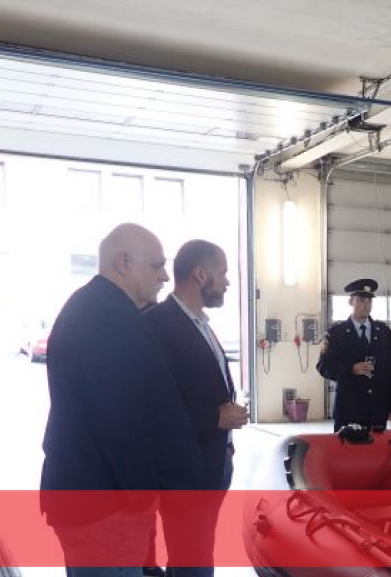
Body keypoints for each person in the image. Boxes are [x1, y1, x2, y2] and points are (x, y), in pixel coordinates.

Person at [40, 223, 200, 576]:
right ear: (124, 263)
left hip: (90, 496)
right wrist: (144, 495)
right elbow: (119, 420)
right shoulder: (107, 320)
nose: (164, 276)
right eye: (156, 266)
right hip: (106, 505)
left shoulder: (95, 307)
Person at [143, 240, 247, 575]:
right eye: (223, 273)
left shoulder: (200, 323)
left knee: (193, 553)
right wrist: (215, 417)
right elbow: (153, 405)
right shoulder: (159, 324)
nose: (227, 282)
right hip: (184, 472)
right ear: (200, 275)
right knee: (194, 560)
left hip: (213, 461)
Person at [317, 279, 391, 431]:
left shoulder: (383, 332)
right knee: (348, 447)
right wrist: (351, 369)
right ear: (351, 301)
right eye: (361, 300)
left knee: (377, 447)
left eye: (369, 301)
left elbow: (390, 369)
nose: (366, 305)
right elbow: (323, 367)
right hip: (348, 409)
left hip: (376, 409)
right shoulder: (336, 333)